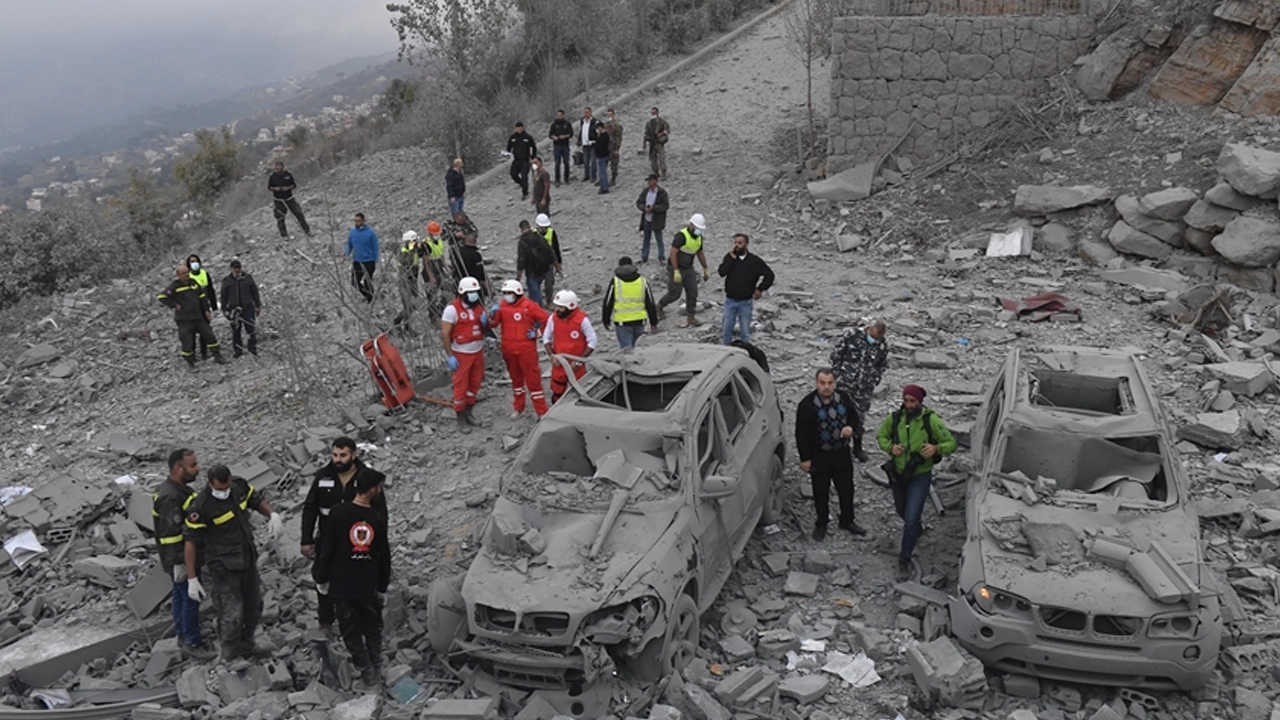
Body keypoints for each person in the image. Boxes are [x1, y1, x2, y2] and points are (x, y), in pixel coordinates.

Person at [184, 464, 284, 662]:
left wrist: (272, 514)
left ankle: (247, 645)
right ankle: (230, 655)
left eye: (226, 487)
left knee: (254, 606)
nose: (224, 492)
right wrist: (192, 578)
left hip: (246, 558)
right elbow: (190, 543)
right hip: (223, 567)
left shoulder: (238, 486)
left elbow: (255, 500)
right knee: (232, 613)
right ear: (209, 484)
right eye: (219, 489)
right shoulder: (200, 507)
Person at [301, 437, 389, 637]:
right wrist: (306, 539)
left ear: (353, 455)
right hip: (327, 539)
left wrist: (379, 542)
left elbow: (380, 512)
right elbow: (310, 507)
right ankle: (325, 621)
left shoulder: (366, 477)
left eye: (343, 455)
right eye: (334, 455)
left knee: (359, 580)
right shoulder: (324, 476)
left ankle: (360, 622)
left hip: (358, 541)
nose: (338, 459)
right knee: (323, 579)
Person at [314, 469, 390, 690]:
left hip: (342, 585)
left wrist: (321, 576)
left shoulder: (338, 512)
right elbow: (384, 555)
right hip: (368, 584)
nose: (380, 491)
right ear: (373, 489)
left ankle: (366, 669)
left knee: (350, 630)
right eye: (379, 487)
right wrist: (382, 586)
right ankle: (375, 665)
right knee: (373, 627)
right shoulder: (377, 517)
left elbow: (327, 547)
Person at [876, 384, 957, 581]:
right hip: (898, 474)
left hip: (920, 476)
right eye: (906, 400)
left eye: (913, 401)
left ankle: (904, 557)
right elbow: (881, 436)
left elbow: (951, 443)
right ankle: (916, 529)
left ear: (920, 402)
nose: (909, 405)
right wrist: (890, 448)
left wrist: (936, 448)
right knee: (901, 511)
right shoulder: (894, 419)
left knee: (911, 518)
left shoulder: (931, 420)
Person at [153, 449, 216, 660]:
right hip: (180, 557)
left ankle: (184, 634)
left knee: (181, 595)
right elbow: (171, 535)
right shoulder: (171, 497)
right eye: (193, 465)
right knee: (190, 598)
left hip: (181, 557)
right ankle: (191, 641)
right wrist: (182, 565)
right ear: (179, 469)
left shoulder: (177, 490)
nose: (198, 468)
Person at [795, 368, 867, 541]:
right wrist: (805, 459)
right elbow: (801, 434)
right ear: (816, 383)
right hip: (819, 455)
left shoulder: (843, 398)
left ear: (834, 383)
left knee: (846, 489)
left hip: (841, 452)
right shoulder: (807, 404)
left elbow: (855, 418)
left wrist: (851, 427)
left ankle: (847, 521)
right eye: (822, 383)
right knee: (820, 491)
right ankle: (821, 523)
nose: (826, 387)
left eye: (829, 383)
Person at [487, 280, 550, 418]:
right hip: (509, 350)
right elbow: (493, 324)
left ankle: (541, 411)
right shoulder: (501, 306)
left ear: (518, 293)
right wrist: (491, 315)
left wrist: (537, 333)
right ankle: (518, 407)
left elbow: (547, 320)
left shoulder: (529, 306)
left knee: (533, 381)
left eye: (510, 293)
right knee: (516, 381)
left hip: (526, 350)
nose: (507, 296)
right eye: (505, 293)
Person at [830, 320, 889, 462]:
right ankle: (838, 446)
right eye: (873, 336)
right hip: (845, 383)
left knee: (859, 417)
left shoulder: (882, 344)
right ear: (870, 329)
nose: (874, 340)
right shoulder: (852, 335)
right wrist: (837, 374)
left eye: (877, 338)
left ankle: (857, 447)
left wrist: (875, 379)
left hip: (864, 387)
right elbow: (836, 354)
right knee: (839, 414)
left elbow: (882, 364)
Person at [157, 264, 227, 371]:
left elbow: (202, 297)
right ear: (178, 275)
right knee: (187, 342)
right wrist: (174, 305)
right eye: (184, 273)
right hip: (185, 320)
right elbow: (162, 297)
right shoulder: (174, 286)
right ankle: (190, 363)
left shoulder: (193, 283)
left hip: (198, 317)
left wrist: (206, 310)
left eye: (187, 272)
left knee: (209, 335)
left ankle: (217, 355)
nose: (186, 275)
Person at [442, 277, 488, 433]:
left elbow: (485, 330)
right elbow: (445, 333)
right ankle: (460, 417)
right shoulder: (452, 310)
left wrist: (485, 323)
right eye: (471, 293)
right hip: (461, 353)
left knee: (474, 384)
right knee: (461, 386)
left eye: (476, 292)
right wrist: (450, 355)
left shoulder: (477, 307)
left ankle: (469, 412)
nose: (474, 295)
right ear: (462, 293)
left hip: (477, 351)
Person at [718, 234, 774, 346]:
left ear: (746, 244)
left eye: (740, 243)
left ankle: (745, 352)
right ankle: (726, 350)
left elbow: (770, 275)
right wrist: (731, 260)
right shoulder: (730, 257)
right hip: (730, 300)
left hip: (745, 302)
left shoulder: (754, 261)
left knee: (745, 331)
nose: (736, 246)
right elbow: (722, 272)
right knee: (726, 329)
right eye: (735, 243)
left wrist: (760, 289)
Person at [543, 290, 597, 403]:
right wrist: (552, 356)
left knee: (579, 392)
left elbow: (592, 342)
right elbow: (546, 338)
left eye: (561, 307)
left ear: (570, 306)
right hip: (559, 363)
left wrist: (579, 361)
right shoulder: (553, 319)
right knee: (557, 391)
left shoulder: (582, 321)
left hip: (576, 365)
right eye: (557, 306)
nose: (557, 309)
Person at [658, 214, 710, 328]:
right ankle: (660, 306)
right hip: (676, 267)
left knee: (692, 291)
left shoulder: (699, 238)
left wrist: (705, 268)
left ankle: (691, 317)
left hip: (688, 267)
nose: (699, 231)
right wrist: (676, 270)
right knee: (675, 294)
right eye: (697, 228)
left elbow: (700, 253)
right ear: (691, 225)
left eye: (701, 229)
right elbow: (673, 253)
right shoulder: (681, 236)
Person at [601, 256, 659, 350]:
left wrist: (605, 320)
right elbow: (650, 303)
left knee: (626, 351)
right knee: (637, 350)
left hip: (622, 322)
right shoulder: (642, 280)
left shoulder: (615, 281)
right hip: (640, 321)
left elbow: (608, 302)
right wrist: (654, 322)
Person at [220, 260, 262, 358]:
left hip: (248, 308)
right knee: (236, 331)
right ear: (231, 268)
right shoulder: (227, 281)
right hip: (234, 310)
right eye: (235, 268)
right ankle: (238, 351)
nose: (237, 270)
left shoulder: (247, 278)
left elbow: (255, 293)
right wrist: (224, 309)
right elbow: (223, 296)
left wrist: (257, 305)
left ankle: (252, 350)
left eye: (238, 267)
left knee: (250, 329)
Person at [515, 219, 557, 308]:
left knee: (535, 296)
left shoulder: (522, 241)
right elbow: (549, 251)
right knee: (540, 289)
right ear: (529, 227)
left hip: (531, 272)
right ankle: (545, 305)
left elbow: (521, 260)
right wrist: (556, 264)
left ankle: (538, 313)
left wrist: (518, 277)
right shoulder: (538, 237)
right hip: (544, 268)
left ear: (521, 229)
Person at [268, 161, 312, 238]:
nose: (278, 168)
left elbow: (294, 185)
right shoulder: (272, 177)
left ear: (282, 167)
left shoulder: (288, 175)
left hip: (289, 198)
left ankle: (307, 231)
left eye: (279, 166)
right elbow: (269, 187)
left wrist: (287, 188)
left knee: (299, 214)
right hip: (279, 200)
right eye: (276, 166)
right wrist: (277, 189)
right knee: (280, 217)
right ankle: (284, 235)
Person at [186, 254, 217, 360]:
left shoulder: (205, 273)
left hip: (204, 305)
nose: (194, 263)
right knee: (192, 332)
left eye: (196, 261)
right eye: (191, 262)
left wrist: (213, 305)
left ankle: (204, 353)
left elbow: (210, 289)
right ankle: (192, 353)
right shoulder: (187, 276)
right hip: (192, 308)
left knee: (205, 330)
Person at [345, 213, 380, 303]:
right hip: (357, 261)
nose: (356, 223)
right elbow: (349, 245)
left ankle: (370, 299)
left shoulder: (371, 233)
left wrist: (377, 261)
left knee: (367, 281)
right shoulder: (352, 232)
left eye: (358, 221)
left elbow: (376, 247)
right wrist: (346, 254)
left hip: (369, 261)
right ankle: (369, 295)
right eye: (355, 221)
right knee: (354, 282)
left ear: (363, 221)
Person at [636, 174, 669, 264]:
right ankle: (644, 257)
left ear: (655, 181)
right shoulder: (645, 191)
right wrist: (644, 208)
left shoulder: (662, 193)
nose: (648, 182)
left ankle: (661, 257)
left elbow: (665, 206)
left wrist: (653, 208)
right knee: (646, 239)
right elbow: (639, 202)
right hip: (647, 219)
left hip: (657, 220)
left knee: (659, 239)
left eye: (650, 180)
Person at [507, 121, 538, 200]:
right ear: (516, 129)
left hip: (525, 160)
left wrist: (533, 157)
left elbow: (534, 147)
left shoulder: (527, 137)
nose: (519, 130)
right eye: (518, 129)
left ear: (523, 128)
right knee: (513, 174)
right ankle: (522, 184)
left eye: (520, 129)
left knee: (524, 176)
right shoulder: (513, 137)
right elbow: (508, 148)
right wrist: (508, 155)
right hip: (516, 160)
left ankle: (525, 193)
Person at [643, 107, 671, 180]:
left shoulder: (662, 121)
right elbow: (645, 133)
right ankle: (656, 173)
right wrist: (644, 143)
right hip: (652, 143)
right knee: (652, 159)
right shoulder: (648, 123)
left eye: (654, 113)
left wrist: (661, 134)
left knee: (662, 158)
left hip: (659, 143)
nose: (653, 114)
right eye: (652, 113)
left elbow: (667, 129)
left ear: (657, 113)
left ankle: (663, 173)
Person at [548, 110, 574, 186]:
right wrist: (554, 137)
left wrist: (565, 136)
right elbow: (550, 135)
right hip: (557, 146)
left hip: (565, 145)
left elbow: (571, 134)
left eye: (560, 115)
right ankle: (557, 180)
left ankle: (566, 179)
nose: (559, 116)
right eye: (558, 115)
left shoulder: (567, 124)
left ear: (563, 115)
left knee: (566, 162)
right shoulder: (554, 124)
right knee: (557, 163)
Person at [578, 107, 602, 184]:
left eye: (587, 112)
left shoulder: (595, 121)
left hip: (592, 144)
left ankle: (593, 176)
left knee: (593, 160)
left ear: (591, 112)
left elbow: (598, 132)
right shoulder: (582, 121)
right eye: (585, 112)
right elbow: (581, 131)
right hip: (584, 144)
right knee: (585, 160)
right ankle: (586, 175)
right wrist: (579, 140)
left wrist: (595, 140)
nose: (586, 114)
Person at [421, 221, 447, 291]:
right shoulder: (425, 244)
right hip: (431, 266)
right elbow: (425, 262)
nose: (436, 235)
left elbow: (441, 255)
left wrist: (446, 267)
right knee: (432, 290)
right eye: (434, 233)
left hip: (439, 265)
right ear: (430, 233)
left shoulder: (439, 241)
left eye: (437, 233)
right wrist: (430, 276)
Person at [398, 230, 423, 298]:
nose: (415, 242)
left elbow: (421, 254)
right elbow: (405, 261)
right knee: (407, 290)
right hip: (406, 272)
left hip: (414, 270)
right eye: (414, 241)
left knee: (414, 287)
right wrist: (411, 251)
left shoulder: (415, 249)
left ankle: (415, 299)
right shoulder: (404, 250)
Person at [604, 108, 623, 186]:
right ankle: (603, 178)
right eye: (608, 115)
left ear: (614, 115)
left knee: (614, 164)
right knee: (603, 164)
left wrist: (617, 149)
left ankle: (613, 179)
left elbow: (619, 138)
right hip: (605, 147)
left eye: (610, 114)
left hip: (613, 147)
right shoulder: (605, 125)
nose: (609, 116)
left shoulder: (617, 125)